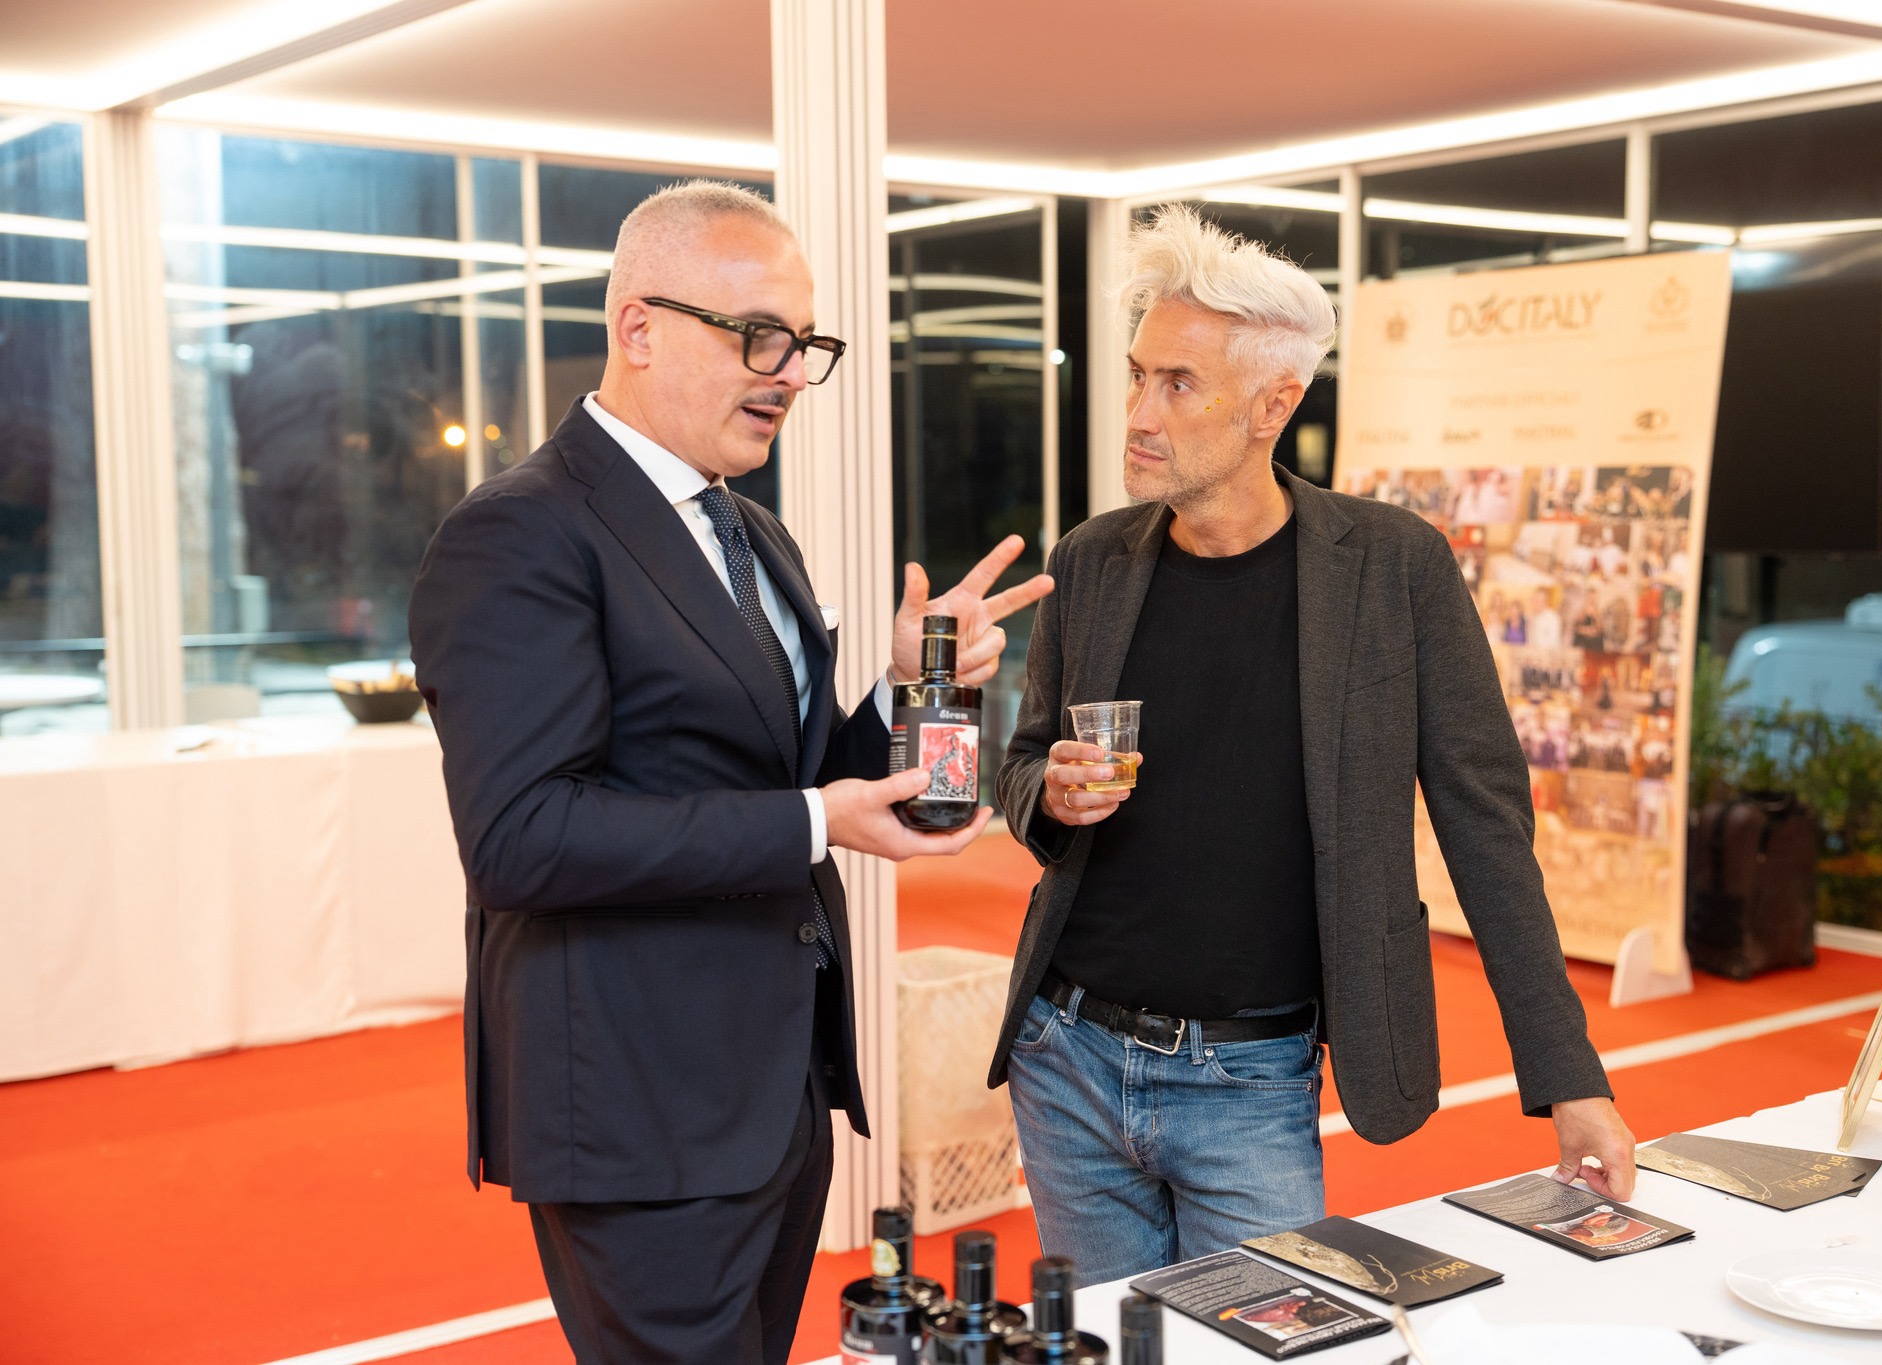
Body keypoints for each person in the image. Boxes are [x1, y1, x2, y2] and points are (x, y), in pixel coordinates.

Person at [409, 181, 1051, 1363]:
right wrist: (812, 819)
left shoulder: (752, 532)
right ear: (637, 328)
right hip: (637, 1102)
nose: (789, 373)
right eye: (757, 336)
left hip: (772, 1090)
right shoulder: (517, 533)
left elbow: (794, 774)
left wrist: (906, 686)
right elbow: (521, 839)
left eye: (804, 344)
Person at [989, 205, 1634, 1285]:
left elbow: (1485, 826)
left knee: (1262, 1341)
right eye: (1138, 375)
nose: (1139, 414)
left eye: (1178, 385)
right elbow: (1023, 763)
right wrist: (1046, 793)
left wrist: (1569, 1076)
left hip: (1250, 1078)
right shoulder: (1091, 561)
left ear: (1272, 406)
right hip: (1067, 1056)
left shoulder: (1393, 569)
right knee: (1110, 1346)